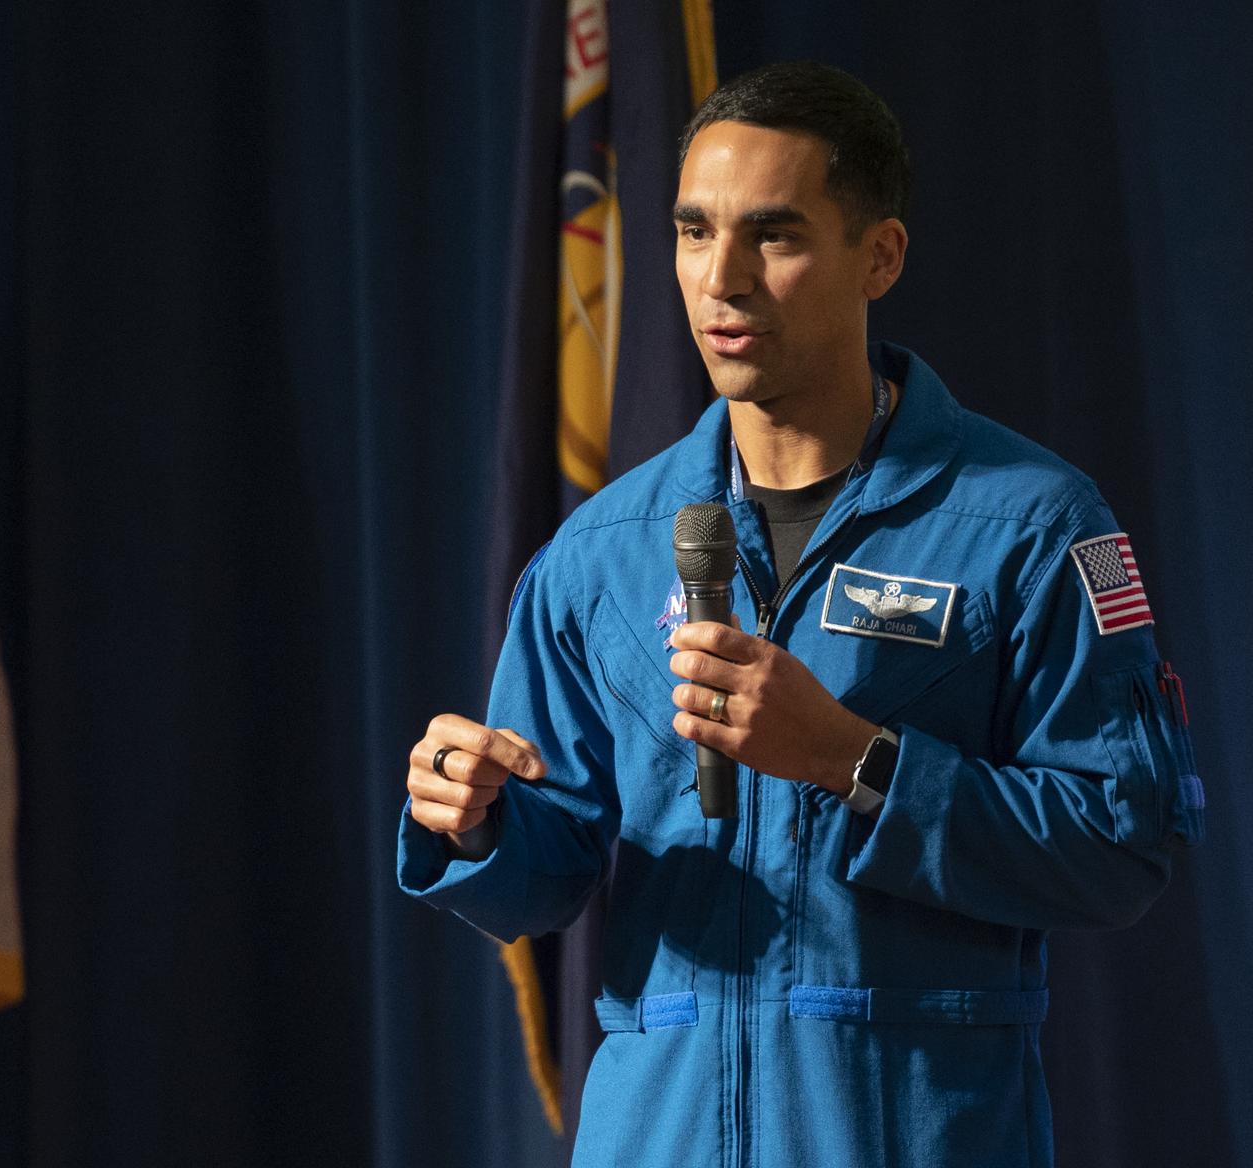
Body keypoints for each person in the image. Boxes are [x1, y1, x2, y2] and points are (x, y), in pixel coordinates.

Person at [397, 61, 1203, 1167]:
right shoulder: (598, 553)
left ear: (880, 256)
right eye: (692, 232)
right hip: (658, 1135)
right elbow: (552, 871)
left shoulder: (1027, 522)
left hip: (910, 1135)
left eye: (773, 236)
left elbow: (1124, 841)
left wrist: (858, 761)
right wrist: (475, 815)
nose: (720, 280)